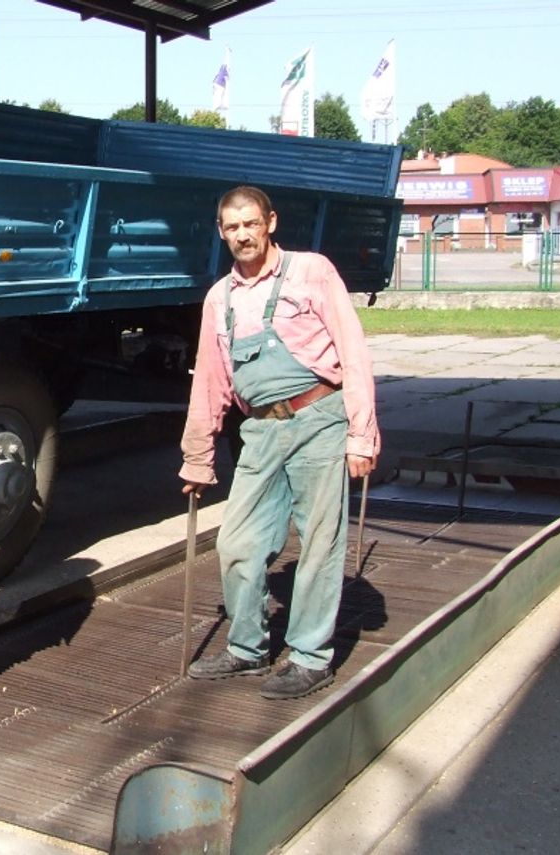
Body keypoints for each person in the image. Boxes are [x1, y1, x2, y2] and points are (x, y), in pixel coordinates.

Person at [180, 185, 380, 700]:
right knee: (237, 542)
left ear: (270, 222)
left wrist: (361, 433)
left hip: (319, 418)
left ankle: (311, 657)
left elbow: (353, 351)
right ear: (221, 233)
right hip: (260, 433)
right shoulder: (219, 298)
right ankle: (247, 649)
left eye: (250, 223)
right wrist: (197, 458)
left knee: (319, 541)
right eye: (231, 227)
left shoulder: (312, 271)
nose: (242, 234)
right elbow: (210, 381)